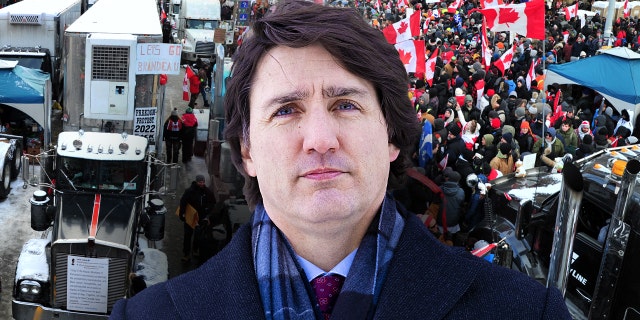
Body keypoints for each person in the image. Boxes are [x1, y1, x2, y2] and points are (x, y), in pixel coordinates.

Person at [110, 1, 571, 319]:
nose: (320, 139)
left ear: (391, 136)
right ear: (247, 150)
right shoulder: (149, 315)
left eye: (345, 105)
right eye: (286, 110)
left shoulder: (529, 314)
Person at [178, 174, 216, 262]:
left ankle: (195, 250)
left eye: (203, 182)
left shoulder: (207, 192)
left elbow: (212, 203)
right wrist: (182, 213)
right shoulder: (190, 192)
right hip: (190, 217)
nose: (202, 184)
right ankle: (186, 254)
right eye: (200, 182)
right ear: (196, 182)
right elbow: (183, 202)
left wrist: (208, 214)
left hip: (200, 217)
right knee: (188, 236)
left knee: (197, 236)